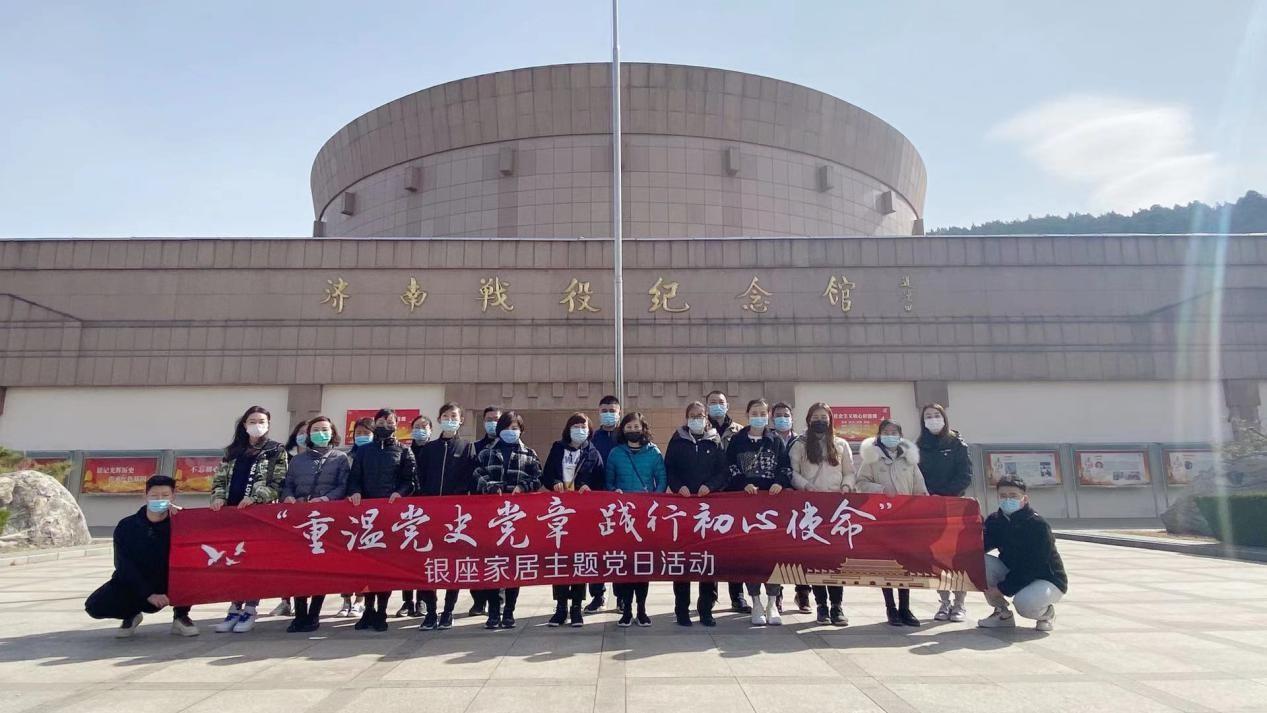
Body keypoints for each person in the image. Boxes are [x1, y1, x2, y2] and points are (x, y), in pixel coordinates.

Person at [85, 475, 199, 638]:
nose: (159, 499)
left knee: (193, 573)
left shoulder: (180, 525)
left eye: (165, 495)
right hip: (137, 582)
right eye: (154, 495)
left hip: (168, 581)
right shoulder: (127, 526)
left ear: (173, 496)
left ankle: (181, 616)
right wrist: (147, 594)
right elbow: (123, 565)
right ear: (145, 496)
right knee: (95, 605)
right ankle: (131, 614)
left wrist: (185, 517)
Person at [209, 405, 288, 633]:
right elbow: (219, 480)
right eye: (252, 421)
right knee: (234, 562)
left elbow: (279, 483)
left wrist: (256, 498)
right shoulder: (232, 451)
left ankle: (251, 609)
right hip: (232, 515)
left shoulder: (276, 450)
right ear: (244, 425)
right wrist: (218, 498)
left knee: (255, 562)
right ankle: (234, 607)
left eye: (261, 421)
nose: (257, 425)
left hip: (259, 515)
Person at [347, 408, 417, 632]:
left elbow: (410, 481)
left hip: (391, 517)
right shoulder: (364, 451)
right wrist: (355, 491)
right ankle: (367, 609)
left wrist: (400, 493)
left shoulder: (404, 451)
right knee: (366, 566)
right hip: (366, 518)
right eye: (381, 422)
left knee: (386, 566)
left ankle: (382, 611)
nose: (385, 426)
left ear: (397, 425)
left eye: (390, 422)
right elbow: (354, 479)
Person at [473, 410, 543, 630]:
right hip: (491, 517)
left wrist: (522, 487)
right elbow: (476, 474)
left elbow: (538, 478)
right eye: (506, 428)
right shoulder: (486, 452)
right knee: (493, 564)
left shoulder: (529, 453)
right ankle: (494, 611)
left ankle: (509, 611)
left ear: (521, 430)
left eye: (514, 428)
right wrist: (491, 487)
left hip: (517, 518)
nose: (510, 432)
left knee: (514, 565)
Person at [280, 415, 349, 633]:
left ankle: (314, 614)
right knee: (299, 568)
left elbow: (343, 486)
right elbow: (287, 485)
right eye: (316, 429)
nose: (321, 433)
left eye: (325, 429)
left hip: (326, 519)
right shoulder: (297, 460)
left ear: (332, 433)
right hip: (300, 519)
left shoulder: (340, 458)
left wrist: (326, 499)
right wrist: (289, 497)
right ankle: (300, 614)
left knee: (322, 568)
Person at [413, 403, 479, 630]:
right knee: (427, 564)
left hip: (455, 518)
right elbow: (419, 479)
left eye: (454, 416)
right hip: (429, 516)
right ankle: (430, 611)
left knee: (453, 565)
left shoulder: (467, 447)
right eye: (445, 416)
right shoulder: (429, 449)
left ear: (461, 420)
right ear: (439, 419)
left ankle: (448, 611)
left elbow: (472, 480)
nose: (450, 419)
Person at [727, 398, 792, 626]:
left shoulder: (775, 440)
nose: (759, 417)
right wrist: (743, 483)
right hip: (747, 506)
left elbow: (785, 467)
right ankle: (755, 601)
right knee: (751, 555)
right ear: (747, 415)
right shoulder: (737, 440)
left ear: (768, 416)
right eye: (754, 413)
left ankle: (772, 602)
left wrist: (779, 482)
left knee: (773, 555)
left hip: (771, 506)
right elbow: (730, 467)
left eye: (763, 413)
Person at [856, 419, 927, 627]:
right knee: (886, 563)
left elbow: (920, 488)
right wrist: (880, 490)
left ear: (900, 435)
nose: (890, 435)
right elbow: (861, 483)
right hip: (882, 518)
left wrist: (925, 507)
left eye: (894, 432)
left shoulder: (909, 459)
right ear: (879, 435)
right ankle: (891, 607)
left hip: (906, 519)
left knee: (905, 563)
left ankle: (905, 608)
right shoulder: (871, 457)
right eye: (886, 432)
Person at [789, 402, 854, 625]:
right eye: (815, 417)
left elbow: (849, 472)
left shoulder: (841, 444)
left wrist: (846, 486)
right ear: (809, 420)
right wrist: (806, 486)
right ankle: (821, 605)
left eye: (824, 417)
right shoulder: (800, 445)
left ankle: (837, 606)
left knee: (835, 559)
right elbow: (792, 473)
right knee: (815, 559)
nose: (820, 421)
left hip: (836, 510)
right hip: (811, 509)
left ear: (830, 420)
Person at [664, 401, 727, 627]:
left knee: (707, 561)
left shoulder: (715, 440)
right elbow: (669, 468)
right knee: (683, 560)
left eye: (700, 415)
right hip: (683, 508)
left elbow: (723, 472)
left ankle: (706, 609)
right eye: (692, 415)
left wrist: (710, 486)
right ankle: (682, 609)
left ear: (706, 417)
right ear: (686, 418)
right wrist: (677, 486)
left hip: (708, 509)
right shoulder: (677, 440)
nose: (697, 419)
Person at [978, 475, 1067, 632]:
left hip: (1046, 579)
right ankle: (1002, 614)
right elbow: (981, 546)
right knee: (979, 562)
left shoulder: (1037, 525)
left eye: (1013, 496)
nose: (1008, 500)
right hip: (1013, 572)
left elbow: (1034, 566)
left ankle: (1047, 613)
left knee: (1024, 604)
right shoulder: (995, 521)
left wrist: (1003, 588)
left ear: (1024, 499)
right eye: (1003, 496)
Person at [541, 412, 605, 627]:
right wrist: (555, 482)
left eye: (583, 427)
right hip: (559, 513)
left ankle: (576, 606)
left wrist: (589, 487)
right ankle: (561, 606)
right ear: (568, 429)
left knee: (579, 560)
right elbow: (546, 475)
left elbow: (601, 480)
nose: (580, 430)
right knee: (560, 560)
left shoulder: (593, 453)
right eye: (576, 426)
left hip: (582, 515)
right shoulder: (558, 448)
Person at [605, 411, 666, 628]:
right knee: (625, 565)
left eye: (636, 427)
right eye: (629, 427)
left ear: (643, 428)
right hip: (623, 517)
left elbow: (661, 480)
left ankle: (641, 609)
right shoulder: (615, 453)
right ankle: (626, 609)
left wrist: (653, 499)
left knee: (642, 565)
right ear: (623, 430)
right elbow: (608, 482)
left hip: (645, 517)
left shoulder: (654, 452)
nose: (633, 430)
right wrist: (615, 492)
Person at [916, 403, 974, 623]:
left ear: (944, 417)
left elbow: (965, 475)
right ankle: (944, 602)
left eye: (936, 415)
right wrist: (928, 495)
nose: (932, 419)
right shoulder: (919, 445)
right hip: (930, 506)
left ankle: (959, 603)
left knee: (956, 556)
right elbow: (916, 475)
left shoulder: (957, 444)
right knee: (936, 557)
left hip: (953, 504)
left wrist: (946, 494)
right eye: (928, 416)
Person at [706, 389, 748, 614]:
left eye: (720, 402)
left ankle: (737, 595)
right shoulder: (701, 429)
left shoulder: (739, 431)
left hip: (734, 496)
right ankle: (710, 596)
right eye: (712, 402)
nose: (717, 406)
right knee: (710, 548)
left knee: (736, 548)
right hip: (710, 496)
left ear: (727, 405)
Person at [269, 419, 312, 619]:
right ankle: (286, 600)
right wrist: (287, 496)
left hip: (313, 516)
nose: (305, 435)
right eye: (301, 432)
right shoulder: (285, 457)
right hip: (288, 514)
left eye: (308, 432)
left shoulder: (321, 457)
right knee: (288, 560)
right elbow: (280, 483)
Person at [395, 414, 434, 620]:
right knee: (407, 558)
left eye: (424, 427)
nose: (420, 430)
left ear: (431, 430)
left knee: (426, 557)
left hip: (428, 512)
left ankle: (423, 600)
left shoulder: (435, 450)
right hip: (407, 510)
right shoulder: (404, 451)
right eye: (417, 427)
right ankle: (407, 600)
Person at [335, 417, 374, 619]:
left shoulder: (375, 455)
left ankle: (360, 600)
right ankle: (346, 600)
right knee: (345, 561)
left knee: (364, 561)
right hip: (346, 514)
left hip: (368, 516)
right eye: (358, 433)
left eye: (366, 433)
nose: (362, 437)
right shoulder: (344, 457)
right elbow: (341, 482)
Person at [584, 395, 621, 613]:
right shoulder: (592, 438)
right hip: (596, 502)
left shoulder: (625, 436)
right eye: (604, 410)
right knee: (595, 550)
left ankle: (622, 597)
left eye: (612, 411)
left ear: (619, 412)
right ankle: (597, 595)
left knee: (620, 550)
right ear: (598, 413)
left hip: (621, 502)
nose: (608, 414)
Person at [466, 405, 503, 618]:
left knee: (500, 556)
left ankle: (498, 600)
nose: (493, 423)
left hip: (502, 512)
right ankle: (478, 601)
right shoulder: (475, 447)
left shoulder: (510, 446)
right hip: (479, 510)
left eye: (497, 419)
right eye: (489, 419)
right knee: (478, 555)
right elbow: (472, 474)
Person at [771, 400, 805, 614]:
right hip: (775, 501)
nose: (782, 418)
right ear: (772, 418)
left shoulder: (801, 441)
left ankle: (803, 592)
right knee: (777, 550)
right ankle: (777, 594)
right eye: (778, 415)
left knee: (802, 548)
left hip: (799, 501)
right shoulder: (768, 440)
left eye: (786, 415)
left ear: (792, 418)